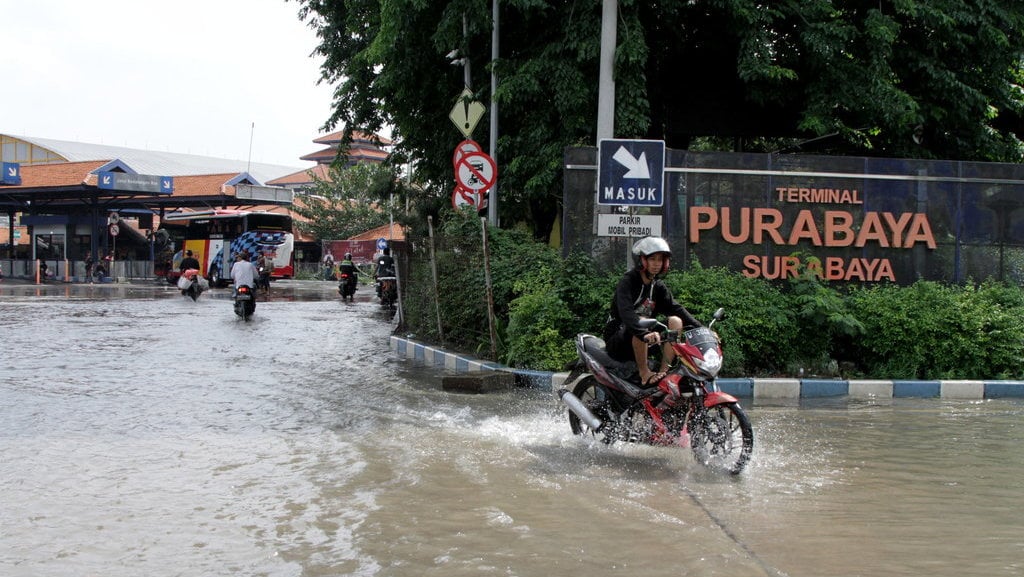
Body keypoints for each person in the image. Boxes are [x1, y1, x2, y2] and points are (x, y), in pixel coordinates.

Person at [603, 236, 701, 386]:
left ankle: (664, 371)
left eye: (660, 260)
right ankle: (644, 373)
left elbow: (675, 308)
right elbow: (626, 313)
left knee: (675, 321)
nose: (657, 264)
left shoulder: (658, 286)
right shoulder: (628, 282)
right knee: (642, 321)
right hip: (618, 339)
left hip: (645, 338)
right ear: (642, 260)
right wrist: (643, 333)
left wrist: (701, 329)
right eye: (652, 259)